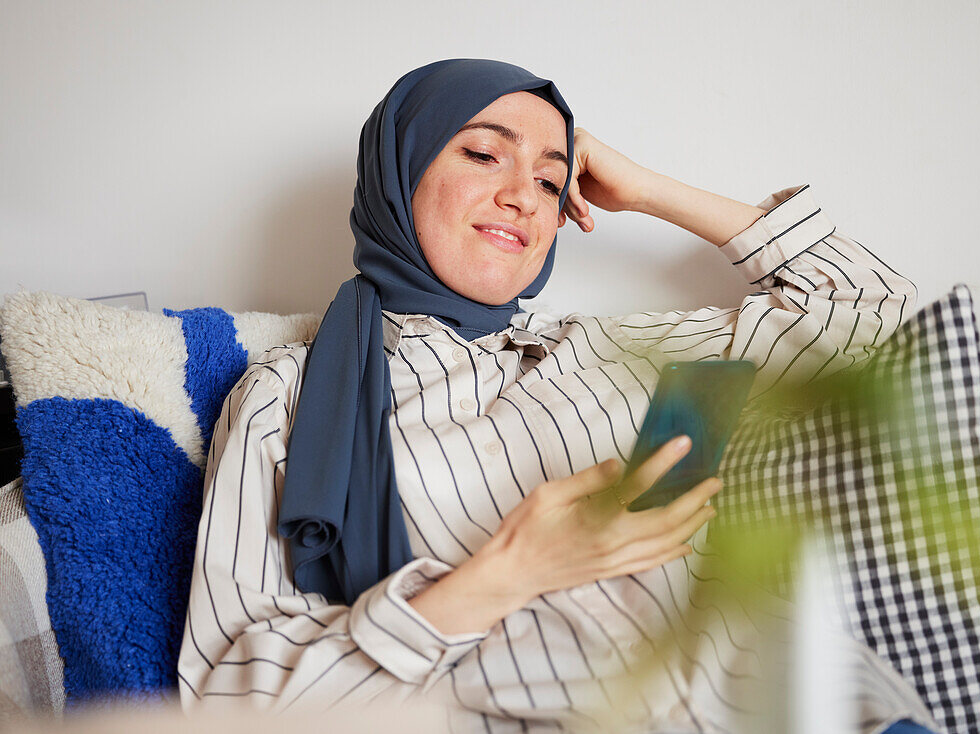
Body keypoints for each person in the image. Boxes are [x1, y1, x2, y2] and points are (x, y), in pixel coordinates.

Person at [178, 59, 939, 733]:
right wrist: (506, 574)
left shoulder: (609, 349)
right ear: (395, 173)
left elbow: (880, 313)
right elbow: (226, 698)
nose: (525, 197)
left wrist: (645, 190)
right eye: (483, 153)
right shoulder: (291, 396)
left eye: (552, 178)